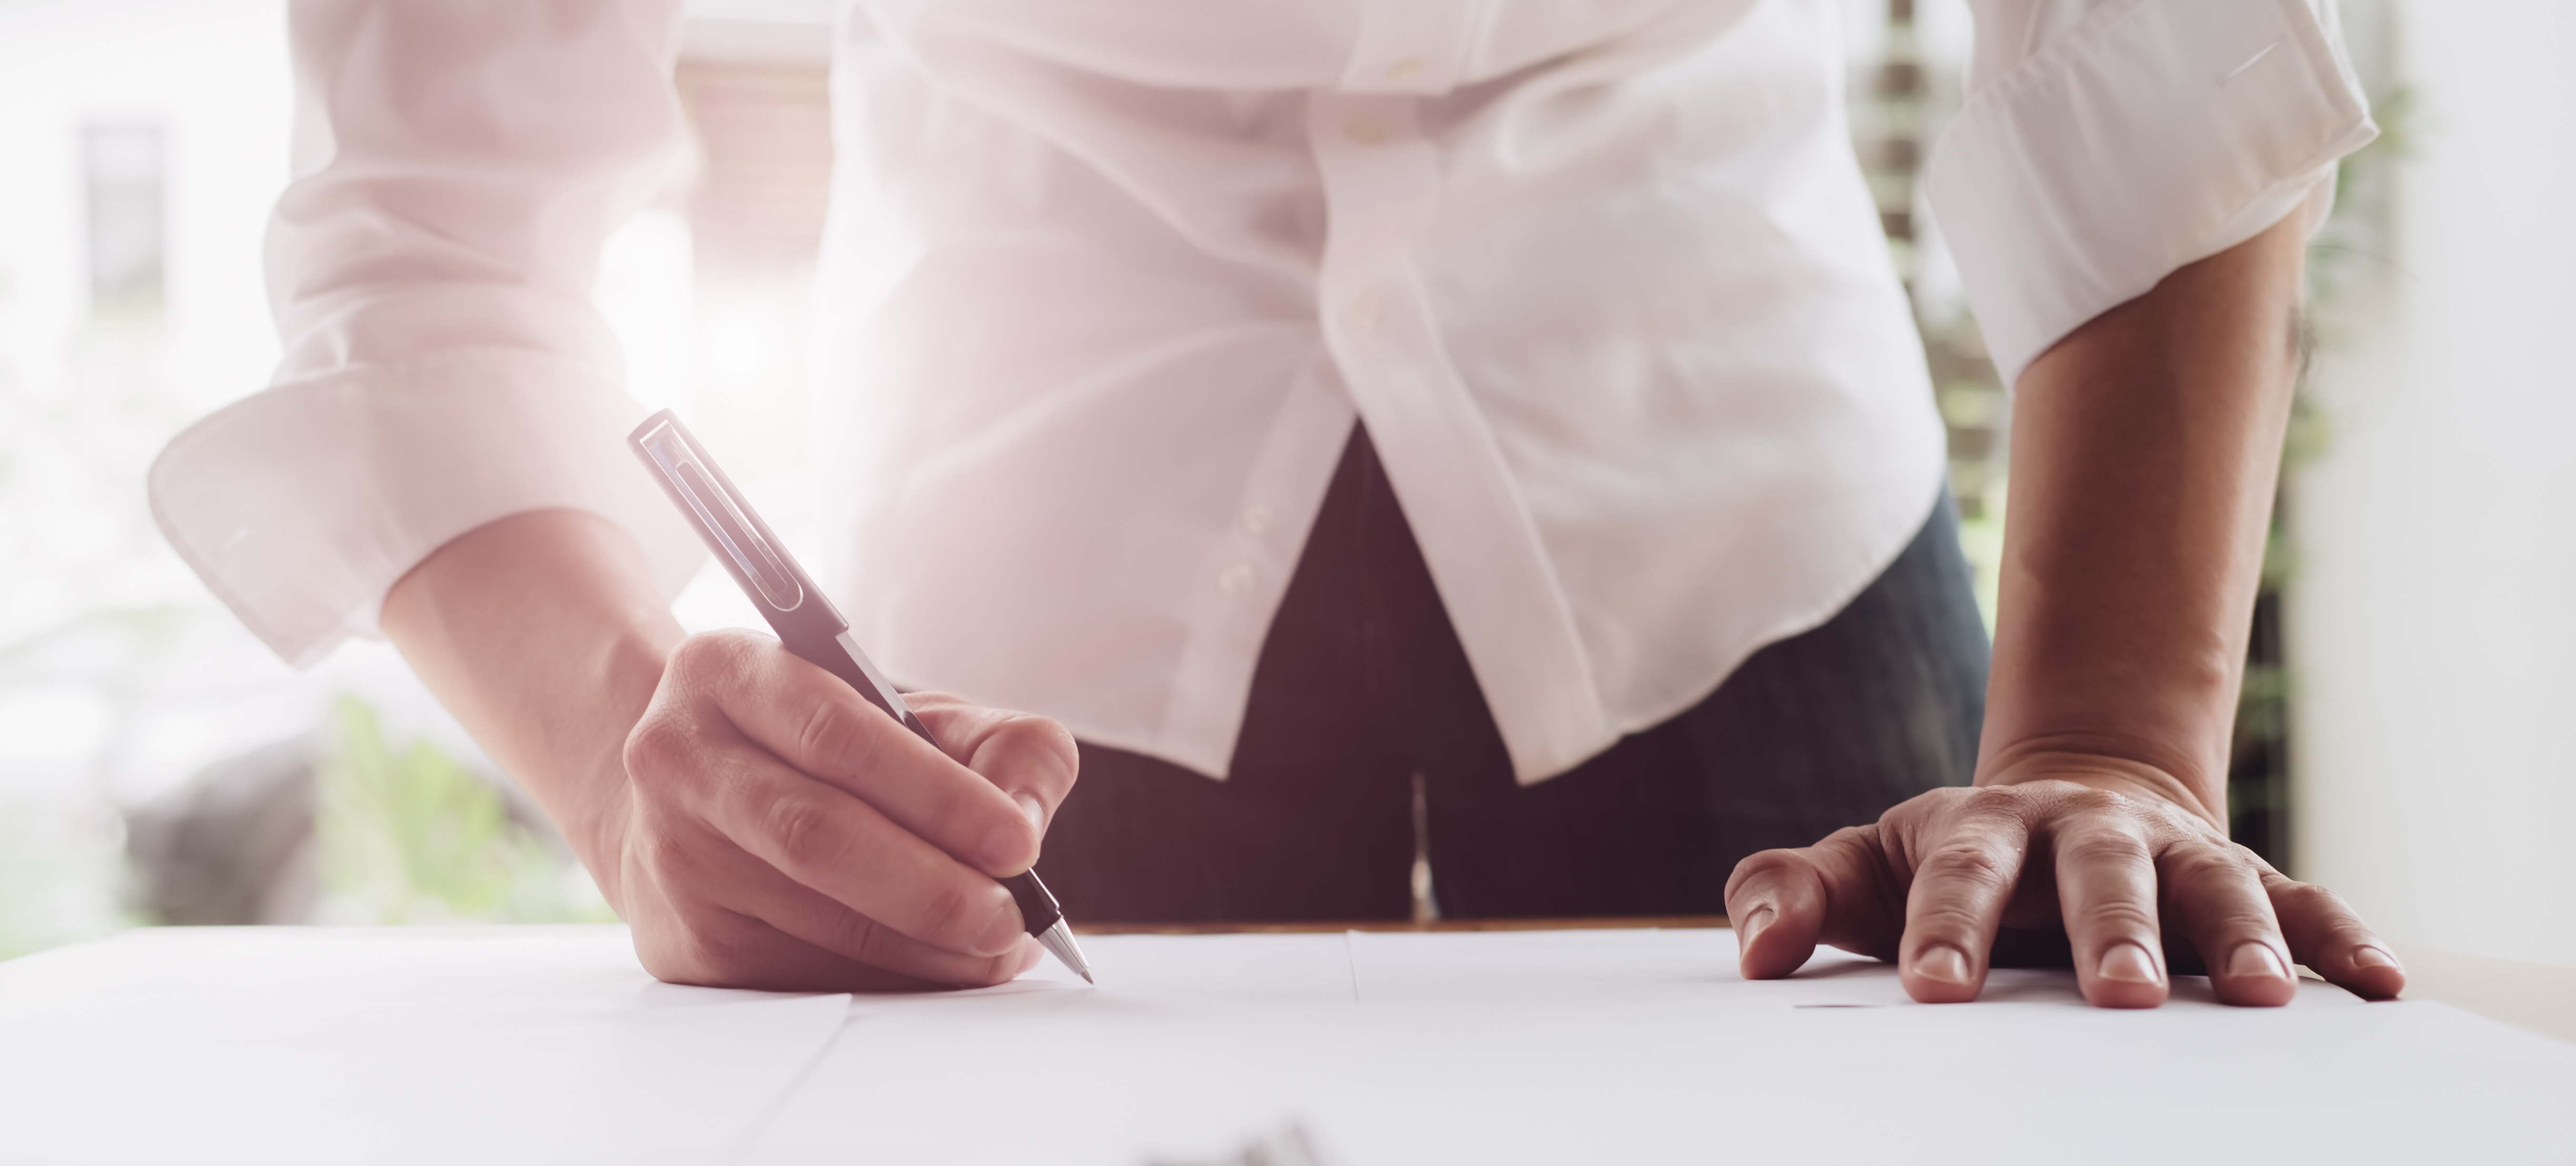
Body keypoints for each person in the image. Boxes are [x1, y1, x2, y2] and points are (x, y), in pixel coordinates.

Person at [151, 0, 2406, 1009]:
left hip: (1755, 537)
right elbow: (430, 246)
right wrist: (638, 772)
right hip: (1002, 657)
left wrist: (2108, 731)